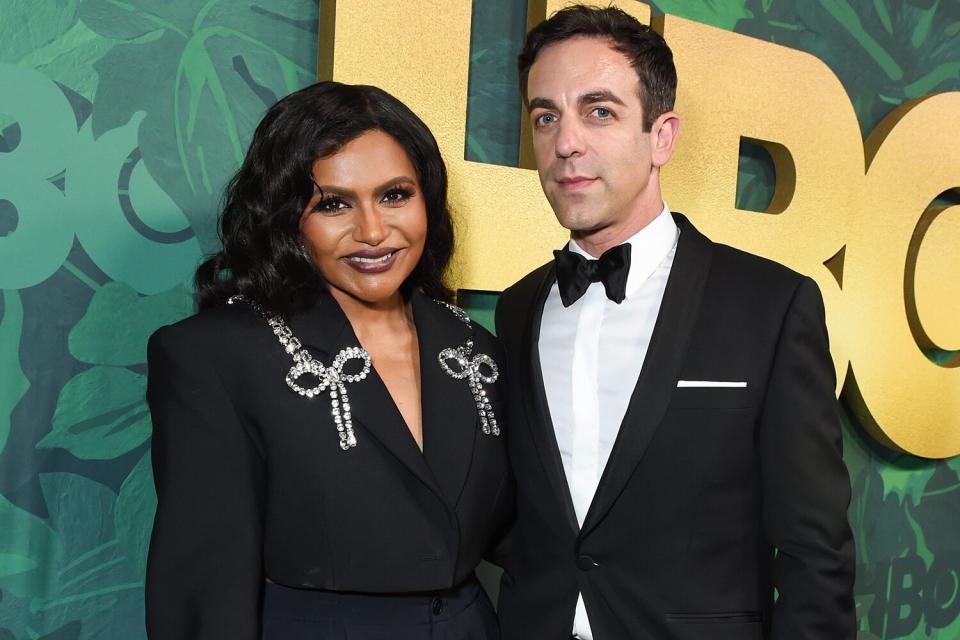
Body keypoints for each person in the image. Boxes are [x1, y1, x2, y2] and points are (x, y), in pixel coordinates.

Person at [494, 6, 855, 639]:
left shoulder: (770, 305)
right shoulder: (519, 307)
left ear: (662, 136)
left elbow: (814, 554)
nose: (566, 142)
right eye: (545, 115)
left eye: (599, 111)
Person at [145, 81, 511, 639]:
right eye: (334, 204)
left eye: (394, 195)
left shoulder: (476, 348)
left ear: (427, 200)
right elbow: (202, 584)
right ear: (287, 217)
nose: (372, 231)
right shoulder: (215, 354)